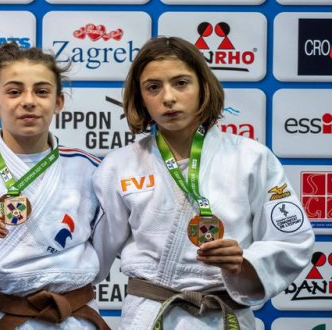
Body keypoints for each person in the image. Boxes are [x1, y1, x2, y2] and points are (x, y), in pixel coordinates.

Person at [91, 36, 315, 330]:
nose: (168, 97)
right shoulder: (119, 165)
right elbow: (90, 255)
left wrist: (244, 262)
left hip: (223, 316)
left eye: (181, 83)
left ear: (203, 87)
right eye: (153, 87)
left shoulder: (252, 159)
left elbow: (292, 240)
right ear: (140, 96)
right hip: (149, 316)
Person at [0, 42, 110, 330]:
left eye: (42, 91)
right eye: (14, 92)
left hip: (75, 319)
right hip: (3, 317)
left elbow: (106, 249)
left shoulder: (89, 170)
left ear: (58, 102)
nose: (28, 101)